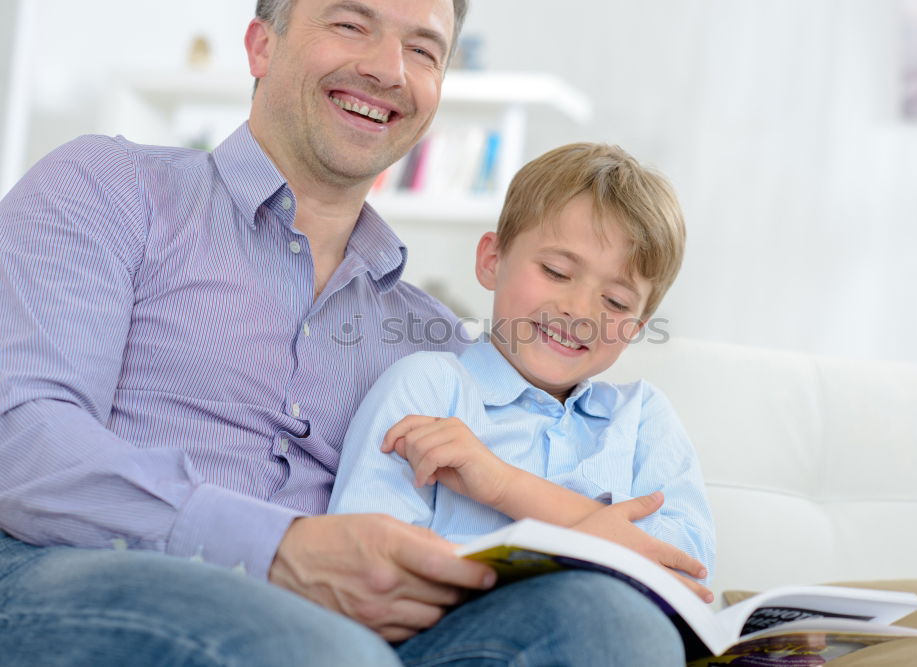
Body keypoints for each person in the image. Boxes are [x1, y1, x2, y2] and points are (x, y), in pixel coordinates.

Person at [0, 0, 707, 664]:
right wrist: (279, 548)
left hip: (369, 634)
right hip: (85, 573)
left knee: (610, 625)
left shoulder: (442, 349)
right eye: (351, 22)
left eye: (423, 48)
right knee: (325, 651)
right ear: (261, 44)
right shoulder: (107, 186)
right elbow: (22, 438)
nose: (388, 69)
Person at [328, 143, 716, 609]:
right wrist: (600, 542)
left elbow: (683, 570)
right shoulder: (428, 389)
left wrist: (502, 485)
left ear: (635, 328)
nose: (579, 310)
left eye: (615, 301)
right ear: (492, 260)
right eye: (556, 271)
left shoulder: (643, 417)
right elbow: (369, 568)